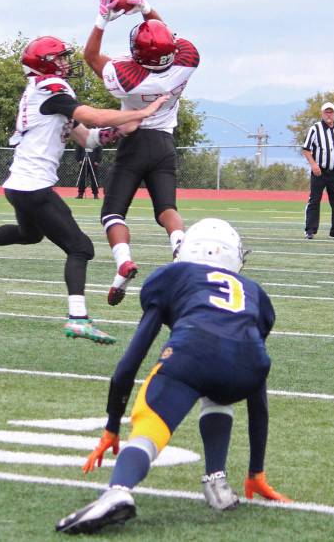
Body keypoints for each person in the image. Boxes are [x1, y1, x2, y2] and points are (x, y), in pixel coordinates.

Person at [55, 219, 290, 535]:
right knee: (219, 387)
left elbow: (130, 362)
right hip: (246, 370)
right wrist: (256, 471)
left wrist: (112, 425)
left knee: (149, 426)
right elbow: (255, 377)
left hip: (192, 352)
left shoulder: (174, 275)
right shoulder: (254, 293)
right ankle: (216, 482)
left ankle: (118, 490)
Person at [0, 36, 168, 344]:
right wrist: (140, 112)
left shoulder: (45, 93)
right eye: (59, 58)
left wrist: (119, 130)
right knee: (81, 248)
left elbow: (87, 137)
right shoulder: (50, 89)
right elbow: (93, 116)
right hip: (33, 186)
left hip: (21, 184)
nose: (65, 63)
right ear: (45, 63)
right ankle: (78, 318)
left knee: (30, 233)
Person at [83, 0, 200, 306]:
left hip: (133, 141)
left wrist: (103, 19)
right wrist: (146, 8)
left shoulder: (126, 77)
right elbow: (170, 40)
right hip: (164, 142)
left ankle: (124, 262)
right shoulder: (187, 61)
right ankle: (181, 247)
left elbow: (90, 56)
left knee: (113, 212)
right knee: (167, 209)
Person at [301, 101, 334, 240]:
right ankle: (310, 230)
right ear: (322, 114)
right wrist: (313, 165)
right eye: (326, 112)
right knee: (315, 200)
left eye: (331, 112)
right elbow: (306, 150)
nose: (328, 114)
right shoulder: (315, 129)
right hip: (320, 171)